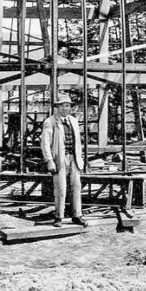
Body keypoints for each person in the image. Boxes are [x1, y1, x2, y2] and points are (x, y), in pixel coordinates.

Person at [41, 92, 87, 227]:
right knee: (60, 188)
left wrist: (80, 159)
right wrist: (49, 160)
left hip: (74, 158)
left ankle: (77, 215)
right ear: (57, 107)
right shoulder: (50, 122)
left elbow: (78, 142)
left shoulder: (74, 121)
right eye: (62, 106)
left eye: (67, 106)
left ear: (70, 107)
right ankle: (58, 217)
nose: (65, 109)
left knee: (76, 187)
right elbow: (45, 143)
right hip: (59, 159)